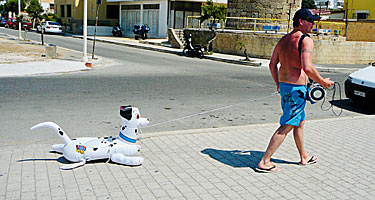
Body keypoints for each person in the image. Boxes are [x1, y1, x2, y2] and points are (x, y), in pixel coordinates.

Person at [257, 8, 334, 172]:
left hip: (286, 86)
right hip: (296, 89)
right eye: (311, 21)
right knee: (288, 124)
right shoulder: (305, 40)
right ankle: (265, 161)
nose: (313, 24)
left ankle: (303, 156)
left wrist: (278, 84)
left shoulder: (283, 40)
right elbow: (307, 67)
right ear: (301, 21)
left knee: (299, 122)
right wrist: (323, 82)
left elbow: (272, 64)